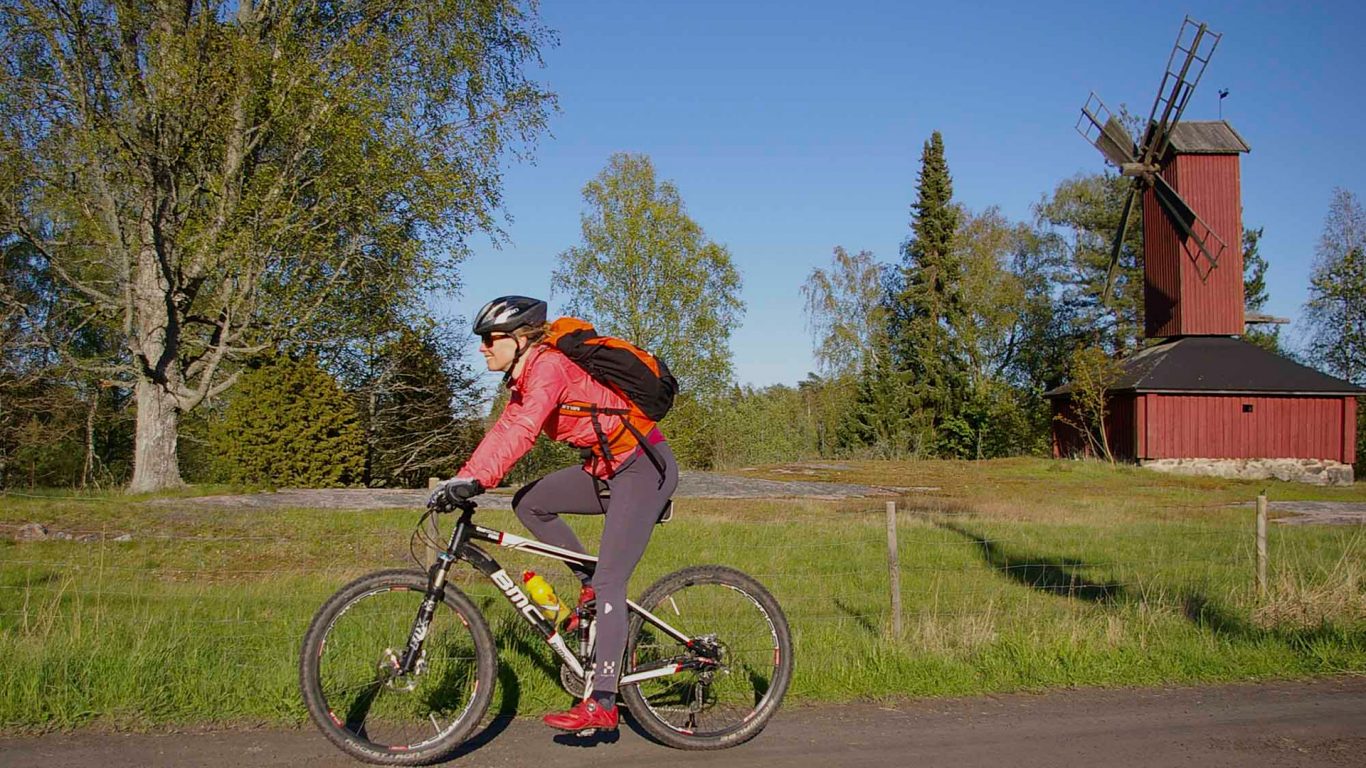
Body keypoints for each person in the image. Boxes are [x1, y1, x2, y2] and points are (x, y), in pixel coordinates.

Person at [430, 295, 680, 733]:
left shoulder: (548, 367)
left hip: (643, 467)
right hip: (605, 470)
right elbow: (506, 429)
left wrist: (479, 481)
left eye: (490, 339)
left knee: (611, 581)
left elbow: (526, 431)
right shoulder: (522, 381)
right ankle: (590, 587)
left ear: (520, 338)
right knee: (530, 503)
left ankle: (603, 699)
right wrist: (462, 478)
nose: (483, 348)